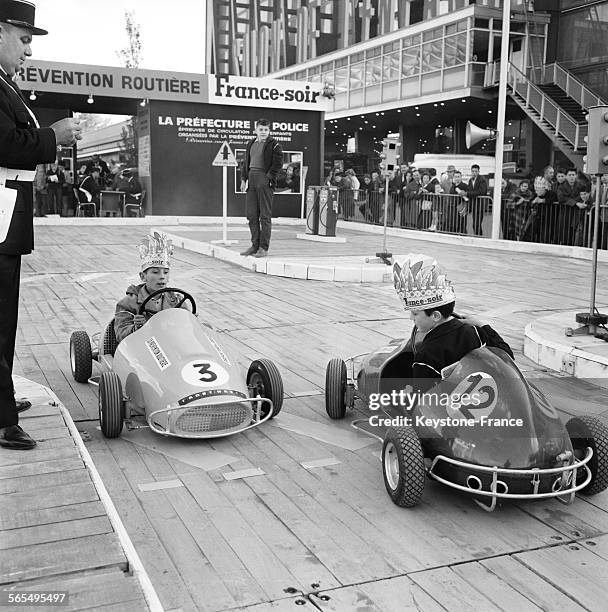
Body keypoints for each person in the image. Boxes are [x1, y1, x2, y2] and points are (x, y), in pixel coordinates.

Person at [0, 2, 82, 450]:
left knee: (5, 319)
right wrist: (54, 136)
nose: (28, 51)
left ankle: (3, 399)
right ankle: (1, 419)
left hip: (7, 216)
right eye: (24, 39)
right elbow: (7, 143)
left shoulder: (5, 85)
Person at [392, 254, 513, 393]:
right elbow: (506, 357)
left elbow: (421, 398)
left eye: (415, 313)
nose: (410, 318)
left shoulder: (426, 355)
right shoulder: (474, 331)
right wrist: (483, 325)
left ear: (436, 316)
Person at [114, 233, 189, 343]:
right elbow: (121, 335)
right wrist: (136, 328)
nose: (162, 276)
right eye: (155, 272)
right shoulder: (128, 303)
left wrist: (190, 321)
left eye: (166, 272)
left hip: (172, 346)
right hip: (142, 348)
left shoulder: (177, 300)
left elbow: (185, 329)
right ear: (143, 277)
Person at [239, 118, 283, 258]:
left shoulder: (275, 145)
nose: (263, 132)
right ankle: (254, 246)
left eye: (266, 130)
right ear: (256, 130)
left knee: (264, 216)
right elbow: (246, 162)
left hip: (264, 179)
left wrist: (268, 178)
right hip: (251, 179)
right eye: (261, 129)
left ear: (269, 131)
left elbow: (278, 164)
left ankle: (263, 248)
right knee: (251, 215)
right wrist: (243, 179)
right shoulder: (250, 143)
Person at [466, 164, 488, 236]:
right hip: (473, 205)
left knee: (477, 224)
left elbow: (482, 191)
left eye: (476, 171)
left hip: (480, 205)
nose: (474, 173)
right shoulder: (470, 180)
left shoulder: (482, 180)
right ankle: (478, 237)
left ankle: (479, 237)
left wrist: (467, 193)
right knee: (475, 224)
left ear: (479, 171)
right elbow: (469, 190)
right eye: (473, 171)